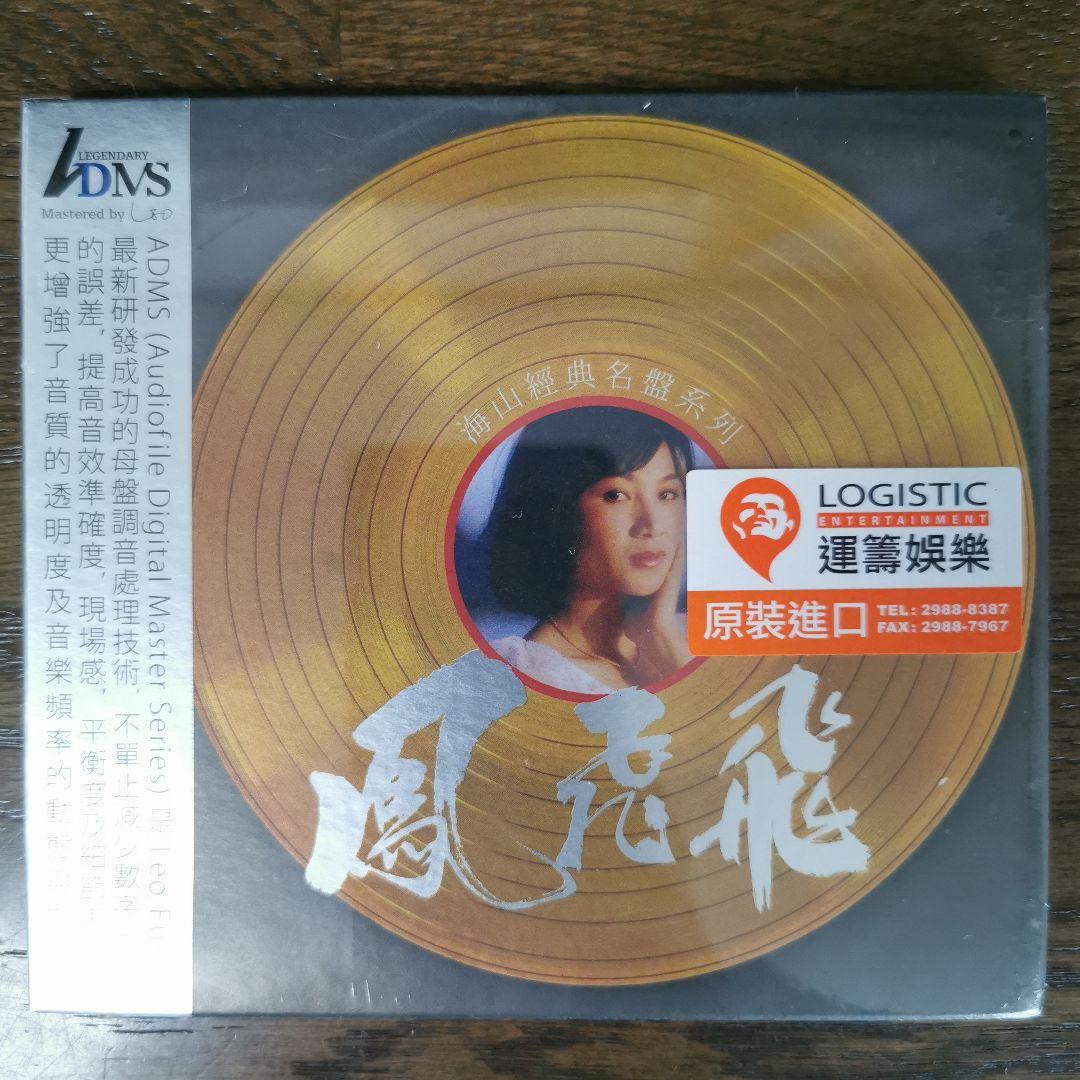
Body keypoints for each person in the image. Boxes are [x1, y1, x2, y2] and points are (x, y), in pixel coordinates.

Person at [484, 406, 695, 694]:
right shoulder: (528, 675)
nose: (653, 525)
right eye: (615, 495)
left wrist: (664, 640)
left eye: (667, 494)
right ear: (557, 508)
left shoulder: (700, 637)